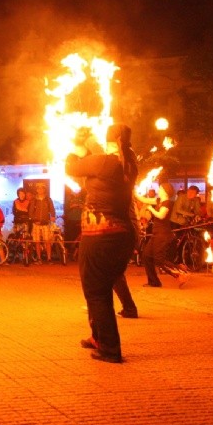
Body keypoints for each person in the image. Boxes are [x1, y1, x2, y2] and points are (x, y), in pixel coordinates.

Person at [66, 125, 138, 363]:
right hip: (122, 236)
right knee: (102, 289)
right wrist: (88, 148)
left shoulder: (104, 162)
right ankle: (98, 337)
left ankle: (109, 349)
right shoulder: (129, 163)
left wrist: (74, 148)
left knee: (96, 292)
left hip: (100, 235)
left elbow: (71, 167)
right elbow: (96, 163)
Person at [138, 182, 189, 287]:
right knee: (146, 256)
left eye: (160, 189)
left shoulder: (168, 203)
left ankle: (181, 272)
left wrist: (151, 209)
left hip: (163, 235)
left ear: (165, 191)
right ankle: (154, 282)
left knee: (159, 260)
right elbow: (143, 199)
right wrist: (133, 190)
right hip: (156, 234)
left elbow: (161, 215)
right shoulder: (158, 201)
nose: (159, 190)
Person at [28, 183, 56, 262]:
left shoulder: (48, 199)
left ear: (44, 189)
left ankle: (49, 258)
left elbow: (52, 209)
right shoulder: (34, 200)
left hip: (45, 223)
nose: (40, 190)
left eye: (42, 188)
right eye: (38, 188)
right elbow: (30, 211)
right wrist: (34, 220)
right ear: (36, 190)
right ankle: (39, 258)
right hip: (36, 224)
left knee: (47, 241)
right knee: (37, 242)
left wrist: (53, 216)